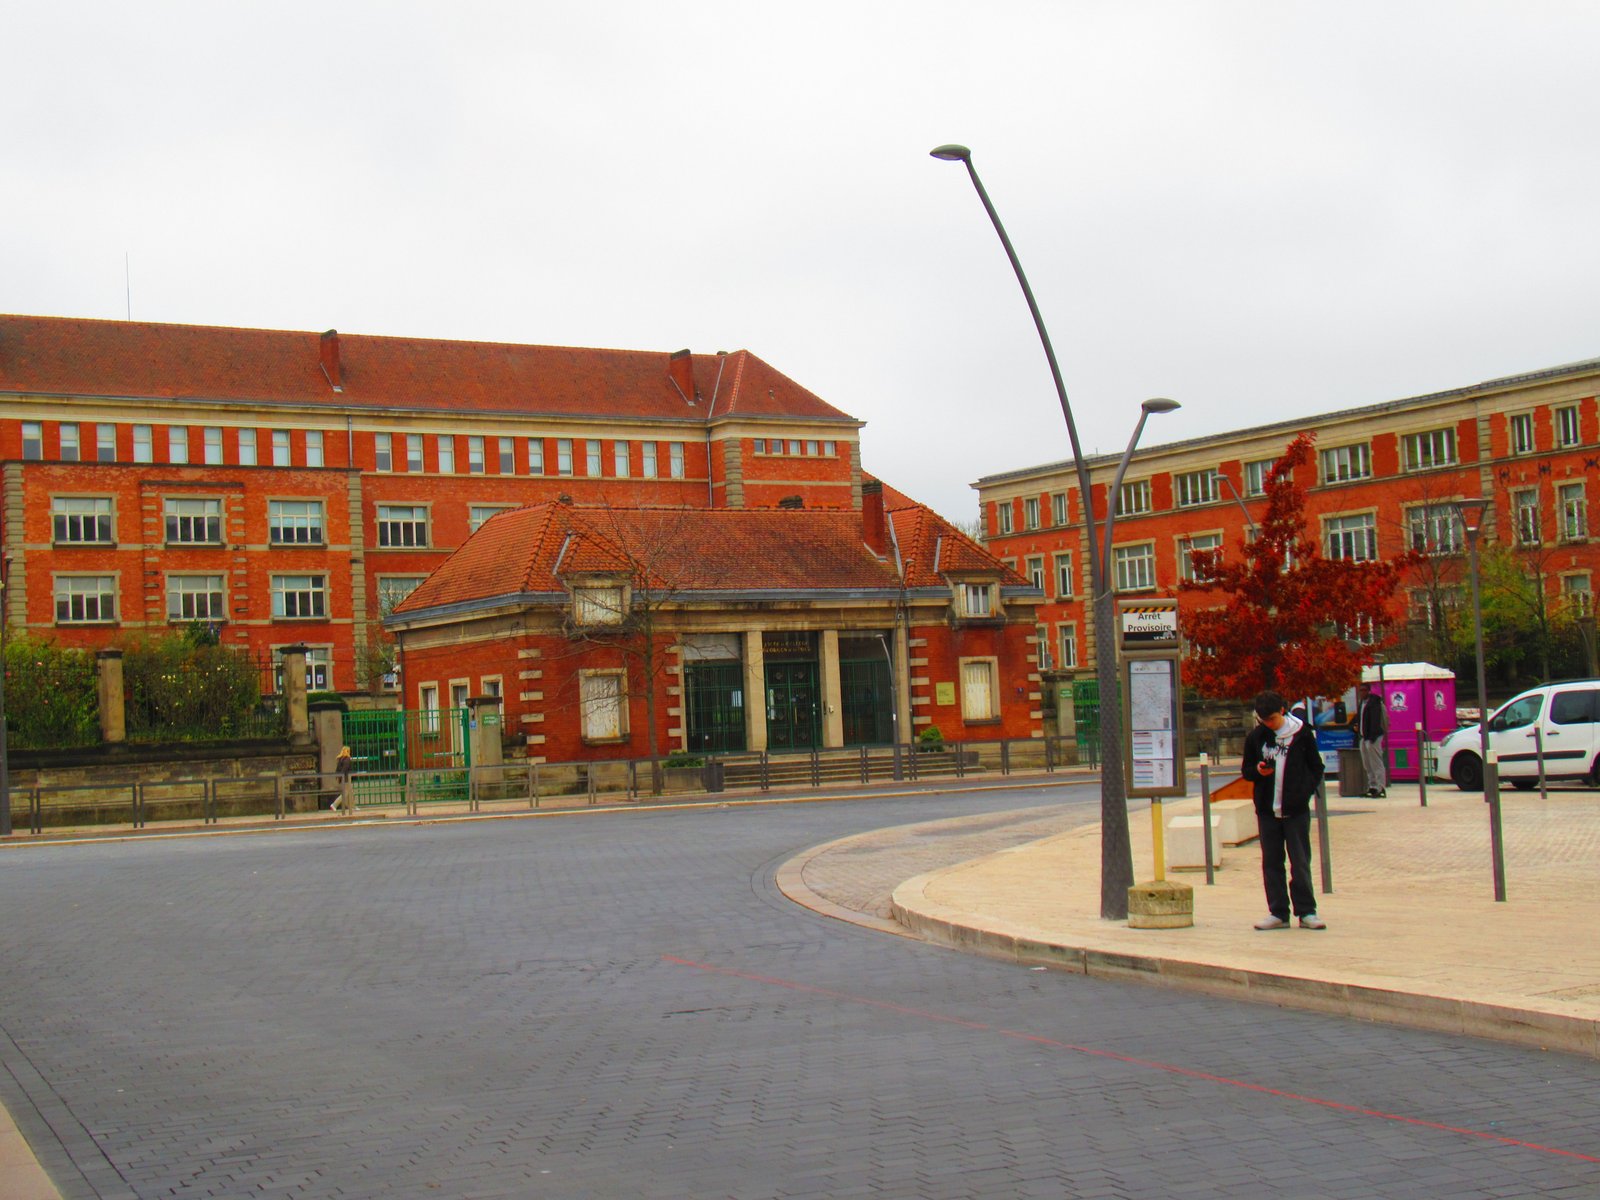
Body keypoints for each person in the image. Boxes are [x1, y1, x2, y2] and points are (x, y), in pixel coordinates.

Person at [1240, 690, 1326, 931]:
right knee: (1271, 862)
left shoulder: (1302, 734)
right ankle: (1278, 912)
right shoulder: (1257, 737)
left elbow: (1316, 767)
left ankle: (1307, 911)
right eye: (1263, 720)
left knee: (1300, 861)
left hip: (1295, 810)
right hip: (1268, 811)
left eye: (1272, 719)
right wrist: (1258, 771)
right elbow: (1246, 770)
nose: (1268, 724)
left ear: (1282, 711)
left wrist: (1304, 792)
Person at [1359, 685, 1388, 798]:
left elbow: (1375, 721)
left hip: (1372, 737)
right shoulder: (1362, 703)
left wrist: (1372, 737)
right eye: (1360, 690)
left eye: (1364, 690)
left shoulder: (1374, 703)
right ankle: (1372, 786)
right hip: (1363, 736)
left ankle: (1381, 788)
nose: (1362, 692)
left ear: (1369, 691)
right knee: (1367, 764)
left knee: (1376, 763)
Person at [332, 745, 355, 813]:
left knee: (350, 792)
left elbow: (337, 769)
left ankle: (352, 806)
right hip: (347, 778)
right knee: (346, 793)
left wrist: (339, 777)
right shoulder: (347, 759)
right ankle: (334, 804)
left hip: (343, 779)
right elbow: (345, 769)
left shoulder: (340, 759)